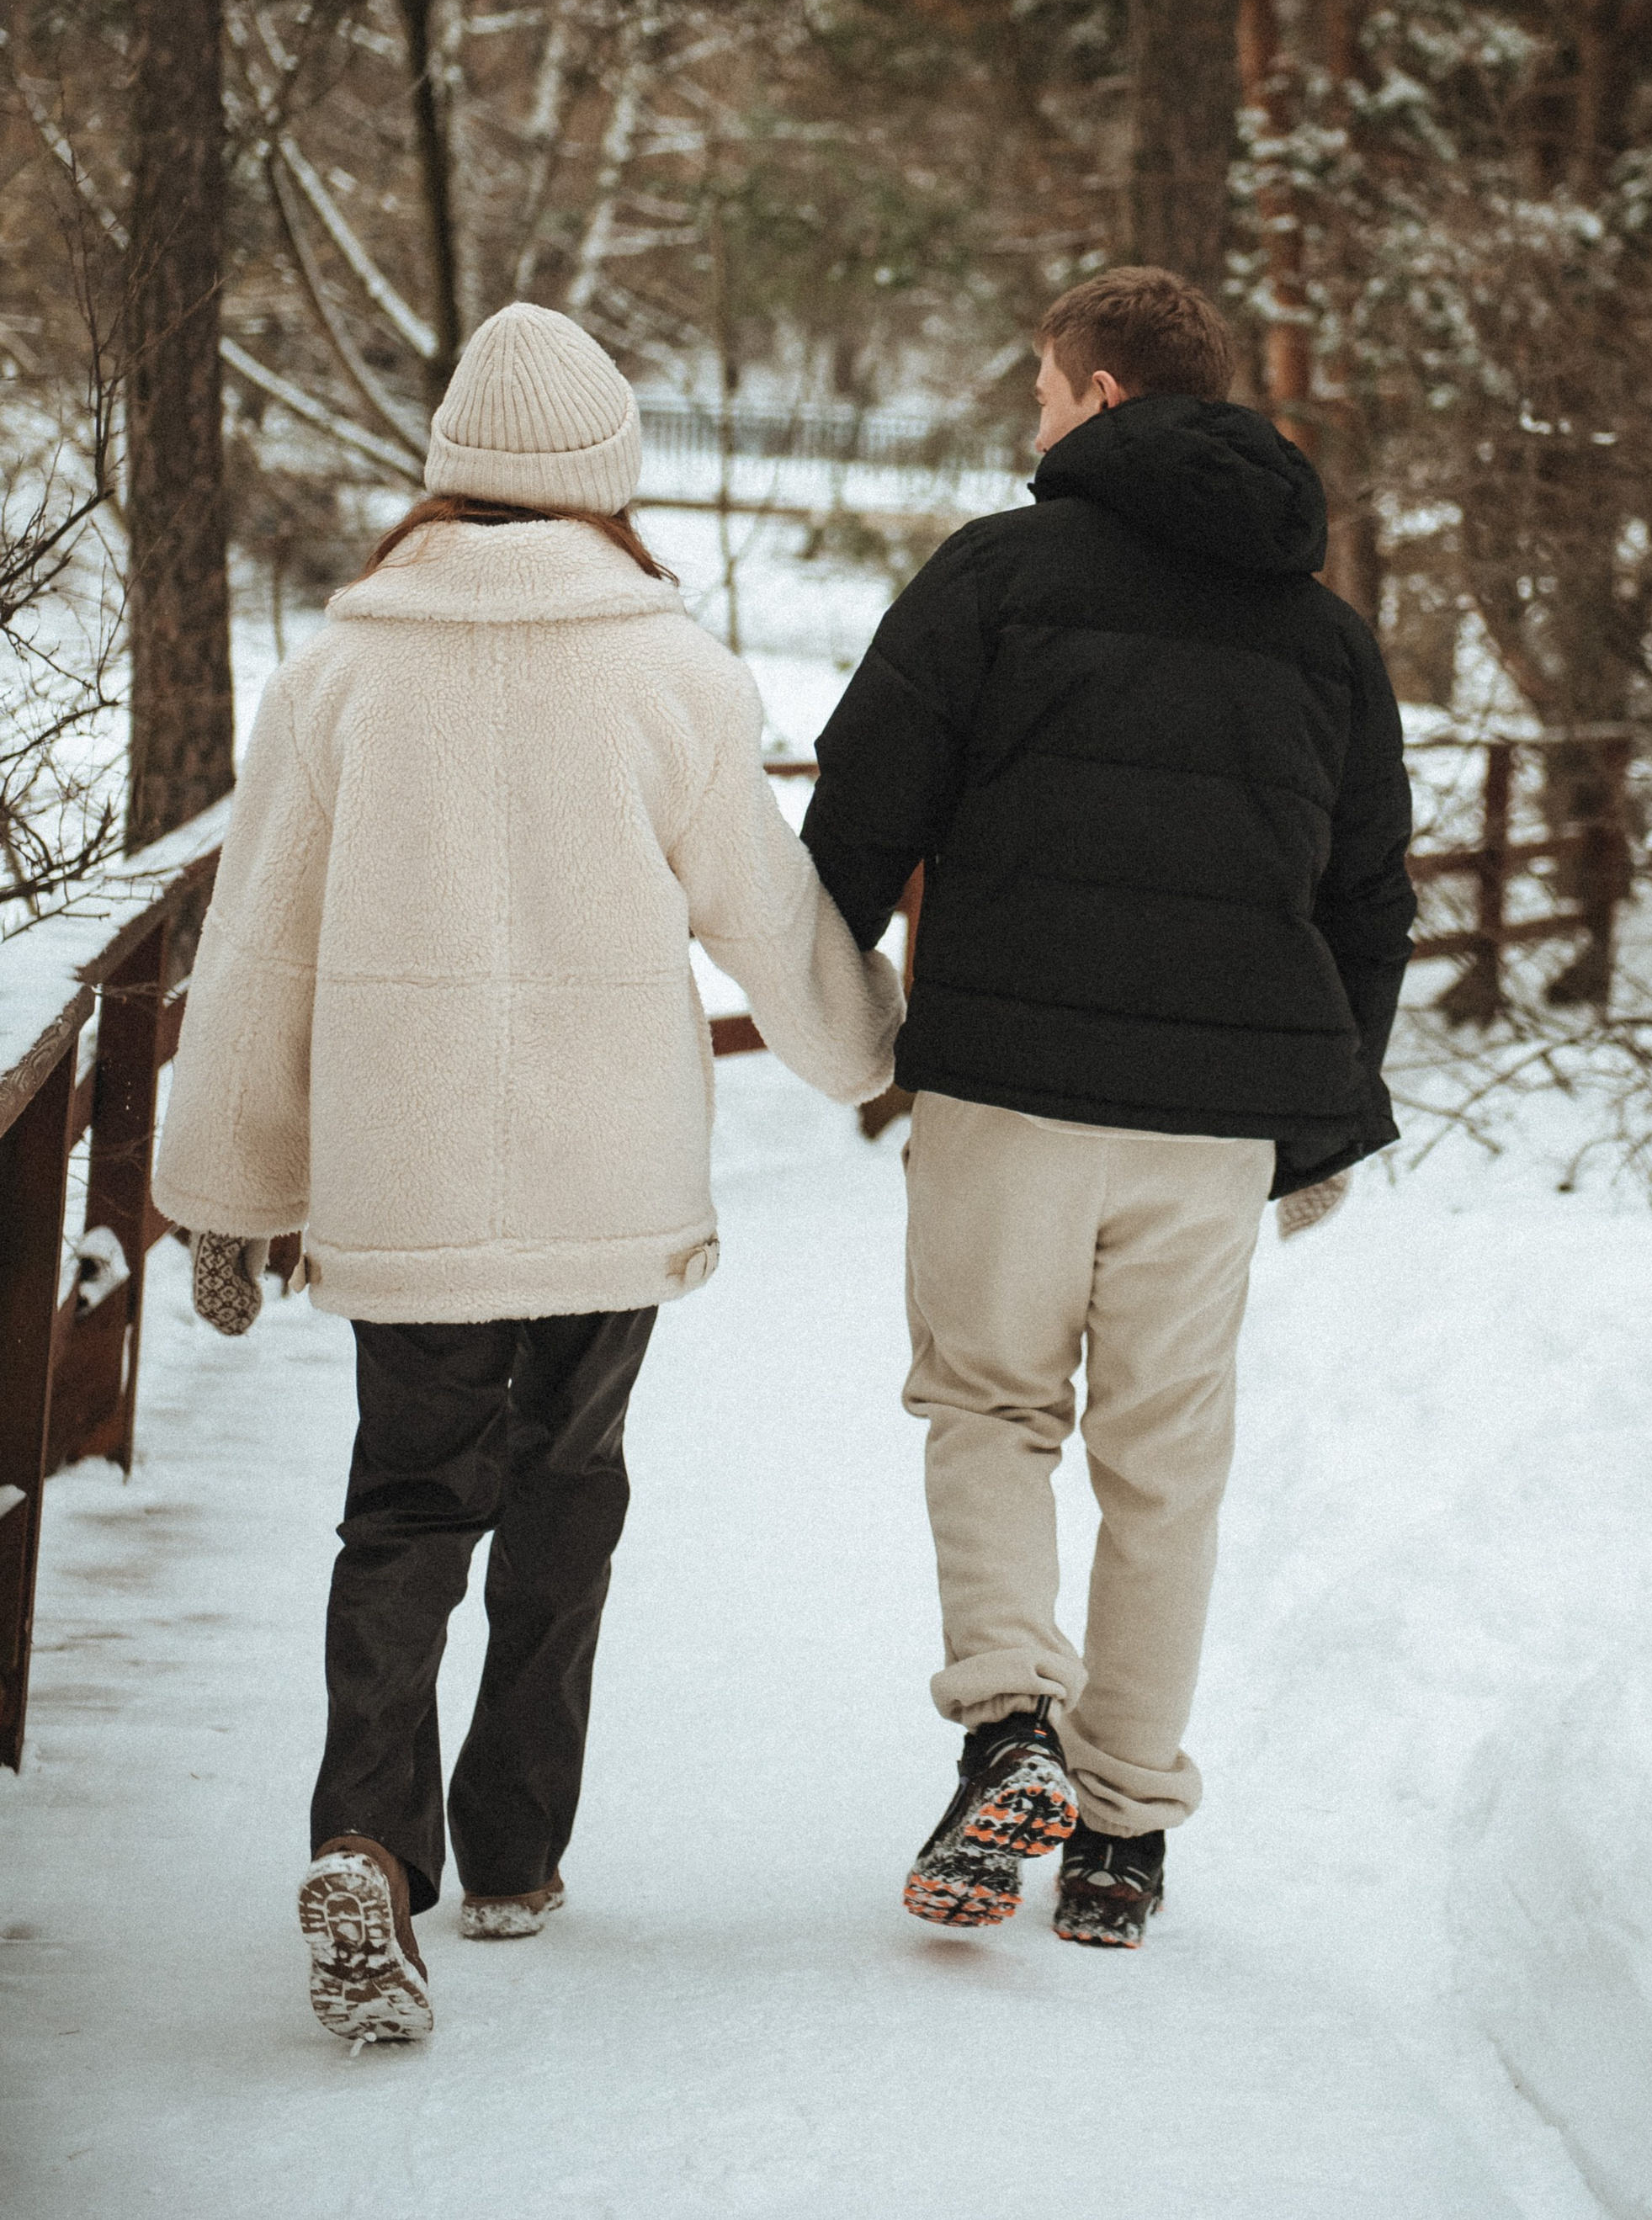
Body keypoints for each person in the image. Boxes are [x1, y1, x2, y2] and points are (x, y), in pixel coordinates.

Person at [156, 302, 901, 2045]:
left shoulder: (339, 669)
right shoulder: (674, 671)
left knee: (405, 1511)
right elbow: (769, 922)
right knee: (567, 1499)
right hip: (604, 1177)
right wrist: (874, 1054)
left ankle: (365, 1839)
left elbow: (257, 950)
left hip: (401, 1185)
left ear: (448, 475)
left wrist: (230, 1192)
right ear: (605, 483)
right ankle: (509, 1857)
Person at [803, 265, 1414, 1947]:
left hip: (1008, 1090)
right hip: (1213, 1123)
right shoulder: (1323, 633)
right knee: (1164, 1466)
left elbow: (858, 817)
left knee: (992, 1407)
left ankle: (1011, 1726)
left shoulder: (997, 576)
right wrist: (1317, 1119)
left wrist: (833, 1022)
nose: (1027, 415)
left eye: (1035, 385)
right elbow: (1367, 897)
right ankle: (1124, 1828)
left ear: (1086, 392)